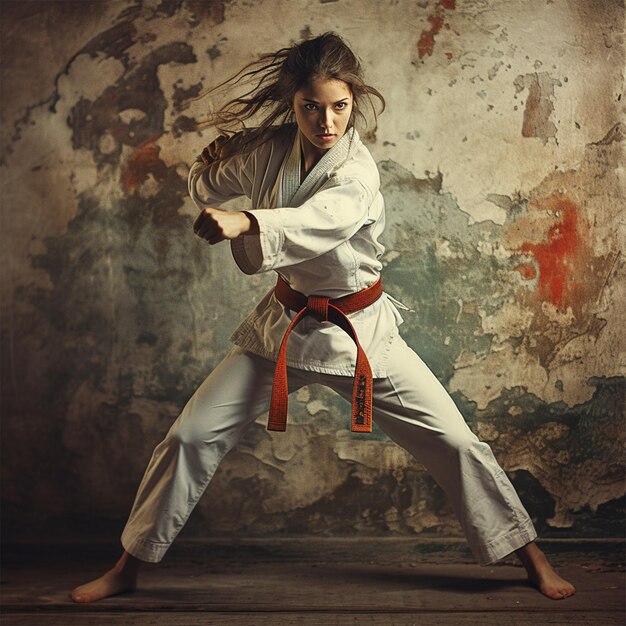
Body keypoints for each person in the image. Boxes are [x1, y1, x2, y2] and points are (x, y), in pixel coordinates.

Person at [70, 32, 575, 603]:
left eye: (339, 106)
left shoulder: (357, 173)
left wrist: (246, 223)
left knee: (455, 443)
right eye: (312, 107)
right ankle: (127, 569)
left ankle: (530, 555)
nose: (326, 121)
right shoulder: (271, 149)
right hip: (284, 328)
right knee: (188, 436)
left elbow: (319, 221)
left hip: (360, 333)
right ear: (293, 102)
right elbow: (209, 186)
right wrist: (210, 166)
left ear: (354, 99)